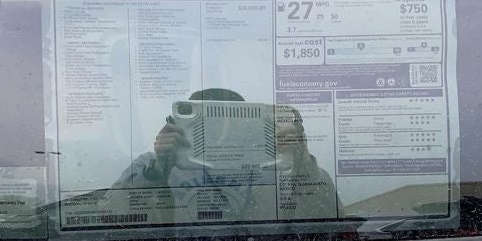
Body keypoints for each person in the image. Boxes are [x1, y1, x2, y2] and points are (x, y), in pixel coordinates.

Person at [114, 88, 341, 220]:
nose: (220, 133)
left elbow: (325, 217)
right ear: (180, 125)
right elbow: (116, 221)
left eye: (232, 124)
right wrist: (159, 169)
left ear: (249, 125)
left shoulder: (279, 168)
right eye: (208, 124)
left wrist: (302, 161)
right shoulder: (150, 167)